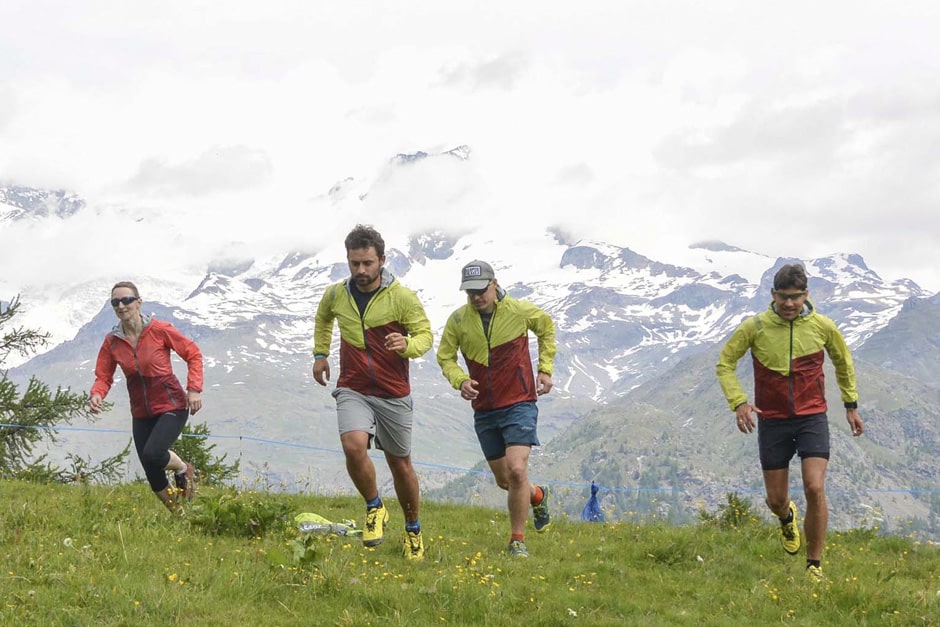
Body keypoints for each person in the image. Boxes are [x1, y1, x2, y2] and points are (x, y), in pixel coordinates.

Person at [716, 263, 864, 582]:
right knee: (776, 500)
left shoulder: (823, 326)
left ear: (805, 295)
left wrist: (851, 405)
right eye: (783, 297)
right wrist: (739, 402)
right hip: (773, 422)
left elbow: (843, 362)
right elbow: (725, 363)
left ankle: (814, 565)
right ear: (773, 295)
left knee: (814, 485)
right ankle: (786, 518)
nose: (789, 304)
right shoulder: (754, 327)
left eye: (795, 297)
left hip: (812, 417)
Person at [312, 225, 433, 560]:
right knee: (353, 445)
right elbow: (323, 319)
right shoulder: (337, 295)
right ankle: (374, 506)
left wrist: (407, 344)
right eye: (354, 264)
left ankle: (412, 529)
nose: (361, 271)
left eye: (367, 263)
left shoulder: (402, 298)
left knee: (400, 463)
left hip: (393, 392)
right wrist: (320, 354)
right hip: (354, 387)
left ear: (382, 260)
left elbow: (425, 335)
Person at [436, 260, 556, 558]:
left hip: (519, 402)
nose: (476, 297)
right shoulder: (459, 321)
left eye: (481, 290)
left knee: (517, 470)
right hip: (486, 409)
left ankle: (517, 540)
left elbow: (546, 328)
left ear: (494, 283)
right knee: (506, 480)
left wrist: (545, 369)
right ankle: (538, 496)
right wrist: (460, 380)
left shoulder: (519, 311)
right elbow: (445, 358)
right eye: (470, 292)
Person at [89, 281, 203, 514]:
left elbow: (193, 354)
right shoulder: (112, 342)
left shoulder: (160, 330)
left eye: (127, 300)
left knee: (153, 454)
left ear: (138, 302)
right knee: (151, 468)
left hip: (172, 405)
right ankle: (181, 515)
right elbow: (104, 375)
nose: (121, 305)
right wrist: (97, 394)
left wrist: (194, 389)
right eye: (115, 302)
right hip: (141, 412)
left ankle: (182, 468)